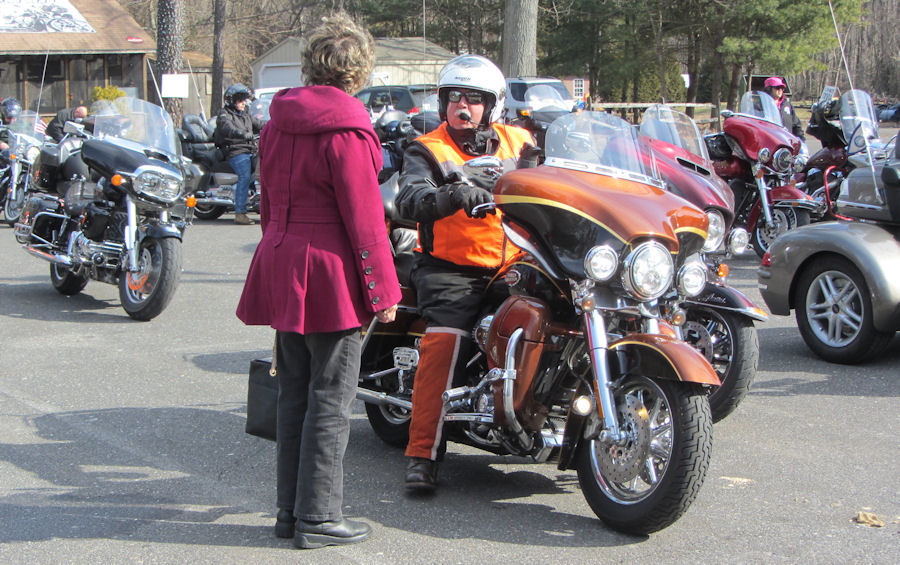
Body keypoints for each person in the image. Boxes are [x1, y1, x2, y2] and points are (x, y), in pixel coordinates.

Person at [235, 13, 400, 550]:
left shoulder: (277, 121)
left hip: (283, 260)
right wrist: (385, 292)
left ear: (311, 64)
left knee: (295, 394)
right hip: (329, 272)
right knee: (331, 398)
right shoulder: (348, 130)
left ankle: (290, 512)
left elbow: (266, 206)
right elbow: (365, 220)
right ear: (358, 71)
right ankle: (320, 518)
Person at [395, 54, 534, 491]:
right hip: (450, 269)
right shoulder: (429, 148)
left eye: (474, 99)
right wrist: (454, 193)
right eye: (454, 97)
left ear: (492, 106)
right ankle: (422, 454)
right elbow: (409, 198)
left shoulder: (521, 143)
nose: (462, 107)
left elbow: (558, 178)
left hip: (516, 262)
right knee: (446, 340)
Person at [216, 82, 263, 225]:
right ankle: (240, 213)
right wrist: (242, 134)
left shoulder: (245, 114)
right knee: (245, 175)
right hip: (235, 151)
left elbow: (260, 124)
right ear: (232, 101)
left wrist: (276, 124)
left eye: (245, 100)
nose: (244, 103)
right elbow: (227, 128)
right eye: (240, 100)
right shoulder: (224, 115)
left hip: (249, 149)